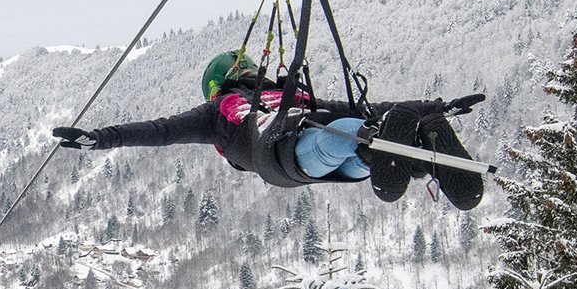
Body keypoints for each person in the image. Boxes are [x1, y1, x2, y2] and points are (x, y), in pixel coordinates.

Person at [52, 51, 484, 209]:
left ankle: (401, 160)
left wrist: (436, 107)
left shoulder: (294, 95)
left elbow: (370, 107)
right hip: (281, 152)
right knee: (351, 127)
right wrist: (101, 138)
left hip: (321, 152)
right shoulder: (219, 112)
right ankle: (394, 152)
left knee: (362, 129)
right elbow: (162, 130)